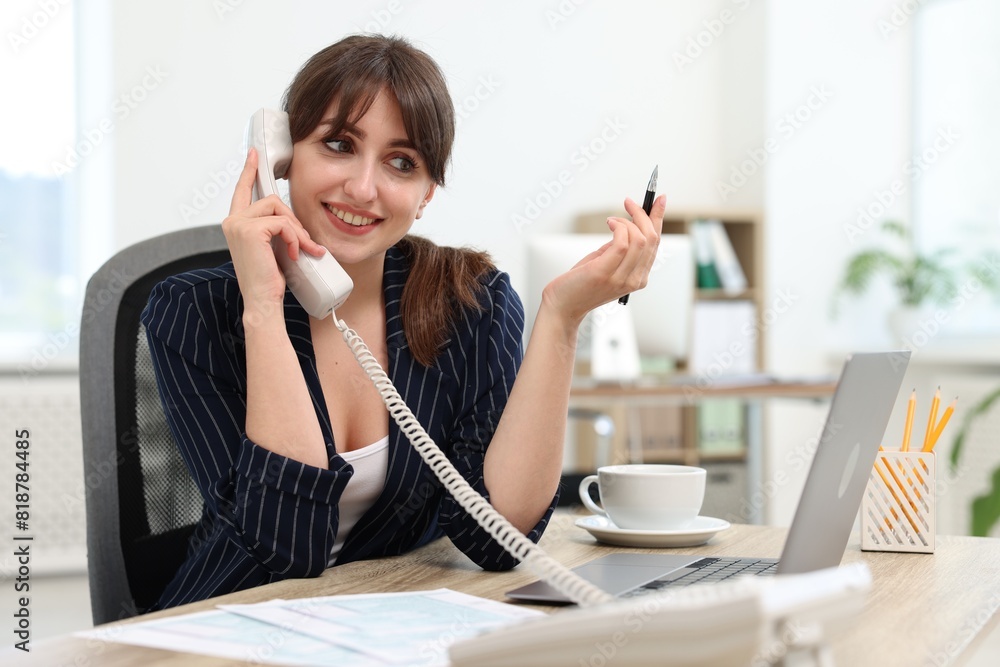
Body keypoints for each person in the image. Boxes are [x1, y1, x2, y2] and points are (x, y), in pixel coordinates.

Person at [141, 34, 666, 610]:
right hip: (221, 626)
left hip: (383, 622)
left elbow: (497, 541)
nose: (363, 189)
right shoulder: (192, 311)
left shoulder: (470, 304)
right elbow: (282, 545)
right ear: (281, 158)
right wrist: (264, 309)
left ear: (426, 195)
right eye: (339, 144)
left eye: (401, 162)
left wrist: (562, 319)